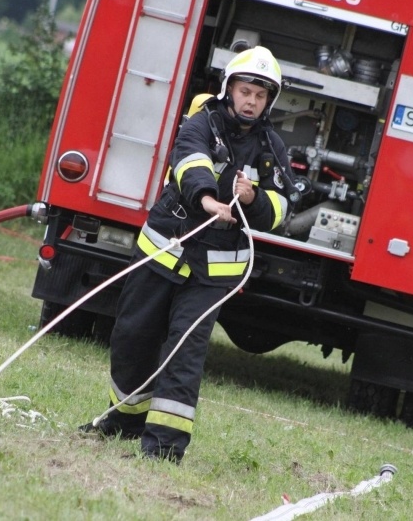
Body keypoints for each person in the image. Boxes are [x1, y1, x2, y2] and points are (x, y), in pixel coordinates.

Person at [79, 46, 295, 463]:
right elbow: (189, 163)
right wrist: (208, 199)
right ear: (229, 89)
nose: (251, 101)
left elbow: (283, 208)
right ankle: (123, 421)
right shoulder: (201, 123)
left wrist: (253, 199)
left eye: (260, 95)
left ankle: (163, 447)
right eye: (245, 90)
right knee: (132, 338)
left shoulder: (272, 148)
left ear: (270, 100)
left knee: (184, 352)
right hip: (162, 252)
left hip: (213, 275)